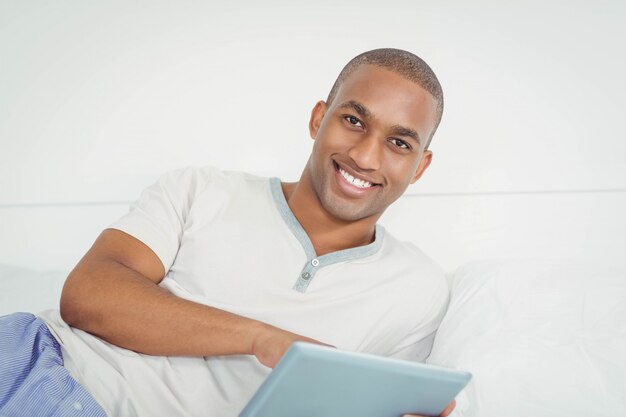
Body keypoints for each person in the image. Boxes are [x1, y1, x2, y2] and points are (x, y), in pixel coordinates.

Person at [0, 48, 455, 417]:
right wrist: (264, 339)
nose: (366, 156)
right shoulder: (201, 189)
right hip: (40, 368)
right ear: (319, 119)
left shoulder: (418, 290)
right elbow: (86, 295)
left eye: (399, 143)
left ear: (421, 167)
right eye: (353, 121)